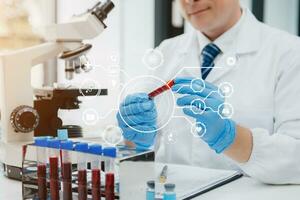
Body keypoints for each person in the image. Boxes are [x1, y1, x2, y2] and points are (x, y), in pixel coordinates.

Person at [117, 0, 300, 184]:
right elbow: (143, 154)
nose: (189, 1)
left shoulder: (290, 52)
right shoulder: (167, 50)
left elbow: (296, 160)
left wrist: (231, 138)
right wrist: (136, 143)